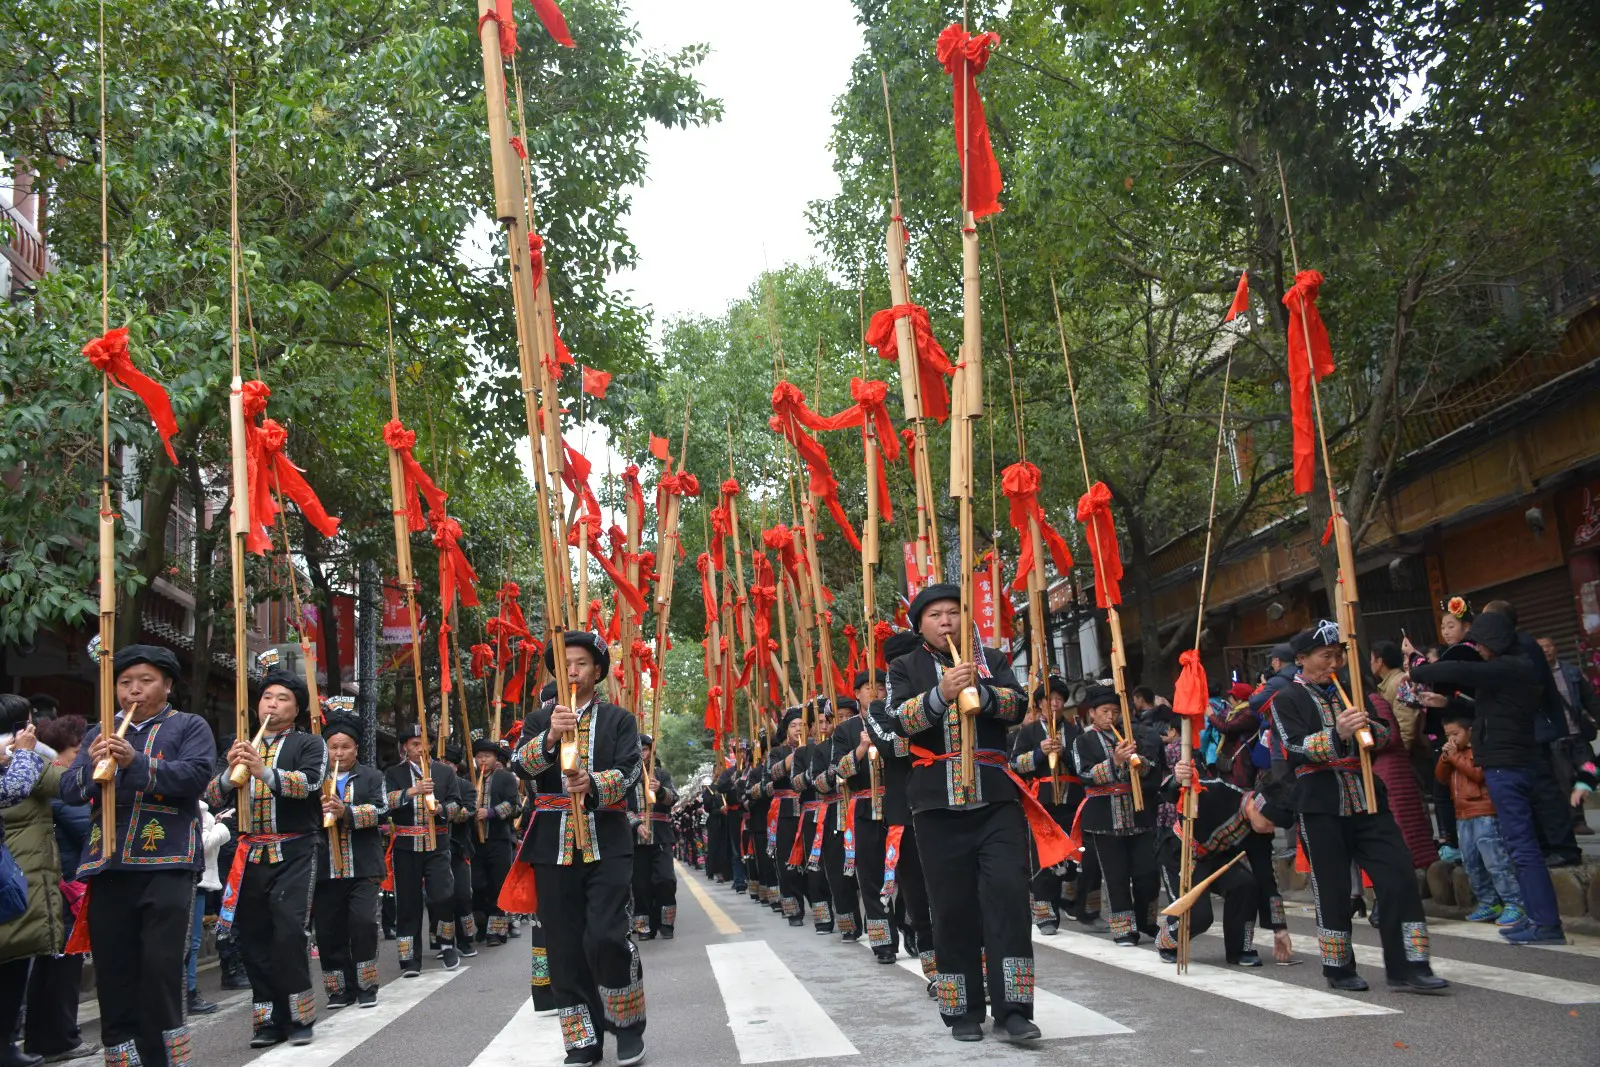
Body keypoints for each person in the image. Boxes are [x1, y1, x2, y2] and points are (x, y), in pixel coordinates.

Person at [885, 583, 1040, 1043]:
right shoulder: (904, 666)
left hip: (996, 801)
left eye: (954, 612)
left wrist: (983, 691)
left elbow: (1017, 706)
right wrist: (942, 693)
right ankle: (962, 1010)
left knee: (1010, 897)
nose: (946, 621)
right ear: (921, 625)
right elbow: (898, 721)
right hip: (936, 806)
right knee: (951, 907)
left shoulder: (992, 659)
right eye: (935, 615)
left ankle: (1014, 1010)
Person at [60, 644, 218, 1066]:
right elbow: (70, 791)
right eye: (125, 682)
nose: (134, 691)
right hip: (107, 863)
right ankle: (122, 1056)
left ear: (167, 685)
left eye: (145, 681)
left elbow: (196, 775)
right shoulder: (99, 733)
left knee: (160, 966)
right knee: (114, 969)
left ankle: (163, 1058)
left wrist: (137, 762)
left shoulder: (189, 725)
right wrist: (94, 769)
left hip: (167, 862)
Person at [1270, 621, 1447, 992]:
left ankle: (1410, 966)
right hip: (1319, 802)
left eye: (1338, 655)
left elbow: (1384, 734)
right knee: (1333, 888)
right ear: (1302, 659)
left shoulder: (1353, 691)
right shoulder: (1287, 699)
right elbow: (1294, 748)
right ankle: (1339, 968)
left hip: (1366, 796)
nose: (1333, 663)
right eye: (1325, 656)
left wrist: (1368, 728)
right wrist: (1338, 734)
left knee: (1399, 876)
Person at [512, 632, 645, 1067]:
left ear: (598, 670)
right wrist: (550, 737)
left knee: (607, 934)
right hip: (552, 843)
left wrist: (594, 784)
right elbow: (522, 765)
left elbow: (629, 771)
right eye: (566, 663)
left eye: (582, 663)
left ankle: (625, 1026)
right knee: (563, 947)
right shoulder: (539, 719)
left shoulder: (619, 720)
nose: (573, 671)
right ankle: (582, 1041)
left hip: (607, 838)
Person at [1411, 610, 1567, 945]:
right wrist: (1444, 699)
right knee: (1519, 847)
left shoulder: (1512, 665)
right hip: (1509, 763)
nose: (1478, 650)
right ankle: (1539, 920)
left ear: (1495, 641)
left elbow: (1460, 669)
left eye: (1481, 643)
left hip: (1506, 767)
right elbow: (1485, 710)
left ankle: (1546, 924)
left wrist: (1420, 668)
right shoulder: (1510, 671)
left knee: (1522, 848)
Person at [205, 669, 328, 1048]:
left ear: (297, 708)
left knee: (289, 932)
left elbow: (308, 784)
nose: (272, 704)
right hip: (249, 851)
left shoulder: (310, 744)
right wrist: (229, 775)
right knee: (254, 937)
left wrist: (261, 769)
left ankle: (300, 1016)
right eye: (267, 698)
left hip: (294, 849)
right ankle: (267, 1020)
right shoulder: (240, 745)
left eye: (283, 699)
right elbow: (211, 795)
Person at [1158, 752, 1291, 967]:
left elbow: (1267, 879)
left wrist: (1280, 928)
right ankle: (1167, 941)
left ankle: (1239, 950)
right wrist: (1177, 777)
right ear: (1255, 806)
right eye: (1269, 822)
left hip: (1215, 858)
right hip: (1180, 853)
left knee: (1247, 885)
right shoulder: (1218, 790)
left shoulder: (1260, 836)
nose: (1270, 830)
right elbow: (1175, 792)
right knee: (1199, 916)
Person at [0, 697, 69, 1067]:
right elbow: (20, 789)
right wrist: (30, 751)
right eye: (30, 724)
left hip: (14, 869)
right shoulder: (22, 761)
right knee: (12, 961)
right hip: (14, 873)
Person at [1012, 677, 1103, 936]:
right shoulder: (1028, 733)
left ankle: (1085, 908)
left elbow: (1084, 765)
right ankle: (1046, 916)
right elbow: (1015, 765)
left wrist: (1064, 752)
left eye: (1059, 699)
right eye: (1049, 699)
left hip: (1073, 803)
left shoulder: (1076, 732)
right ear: (1039, 704)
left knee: (1080, 856)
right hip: (1042, 804)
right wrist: (1039, 753)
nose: (1054, 703)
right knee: (1043, 859)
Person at [1073, 685, 1163, 947]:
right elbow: (1085, 775)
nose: (1110, 716)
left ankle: (1147, 921)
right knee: (1116, 875)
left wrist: (1137, 759)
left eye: (1114, 711)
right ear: (1092, 714)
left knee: (1147, 872)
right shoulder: (1083, 741)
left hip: (1138, 814)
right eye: (1104, 711)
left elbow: (1152, 767)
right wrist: (1115, 761)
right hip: (1104, 818)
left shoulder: (1131, 736)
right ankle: (1124, 929)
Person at [31, 716, 95, 1064]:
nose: (80, 758)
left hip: (56, 881)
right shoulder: (58, 784)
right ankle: (61, 1038)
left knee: (52, 965)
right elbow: (87, 830)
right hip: (64, 885)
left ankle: (46, 1038)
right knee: (62, 965)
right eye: (77, 751)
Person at [315, 717, 387, 1009]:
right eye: (333, 747)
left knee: (363, 923)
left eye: (345, 747)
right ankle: (338, 989)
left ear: (356, 748)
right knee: (329, 930)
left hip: (363, 866)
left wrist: (346, 812)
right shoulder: (315, 779)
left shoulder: (371, 777)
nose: (339, 753)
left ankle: (366, 985)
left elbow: (382, 811)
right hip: (324, 868)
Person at [1434, 709, 1524, 925]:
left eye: (1455, 734)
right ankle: (1489, 903)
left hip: (1484, 812)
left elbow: (1478, 774)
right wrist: (1446, 758)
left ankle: (1515, 903)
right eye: (1447, 736)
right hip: (1462, 814)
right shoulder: (1454, 753)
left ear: (1470, 730)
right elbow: (1440, 777)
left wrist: (1453, 756)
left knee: (1496, 861)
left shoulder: (1479, 749)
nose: (1451, 739)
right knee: (1471, 862)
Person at [383, 723, 460, 975]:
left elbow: (457, 804)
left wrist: (440, 809)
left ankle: (447, 943)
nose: (419, 749)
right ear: (405, 747)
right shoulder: (393, 772)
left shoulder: (444, 772)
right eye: (414, 744)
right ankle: (409, 959)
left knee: (442, 895)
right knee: (407, 902)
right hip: (406, 845)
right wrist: (414, 791)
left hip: (437, 843)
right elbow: (385, 802)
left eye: (423, 744)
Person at [830, 672, 893, 961]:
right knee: (871, 876)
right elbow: (838, 771)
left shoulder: (896, 720)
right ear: (857, 693)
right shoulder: (846, 730)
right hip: (865, 807)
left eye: (881, 687)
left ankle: (911, 925)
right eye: (869, 688)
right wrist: (859, 750)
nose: (875, 692)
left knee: (908, 874)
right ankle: (883, 942)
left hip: (897, 803)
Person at [1538, 636, 1599, 836]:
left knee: (1587, 770)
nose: (1546, 650)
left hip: (1578, 735)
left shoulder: (1572, 672)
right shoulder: (1534, 676)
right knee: (1563, 781)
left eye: (1549, 646)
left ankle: (1577, 819)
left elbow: (1590, 699)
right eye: (1541, 648)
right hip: (1555, 738)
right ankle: (1575, 820)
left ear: (1555, 648)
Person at [470, 738, 521, 947]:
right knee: (478, 884)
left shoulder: (506, 778)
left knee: (498, 885)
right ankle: (482, 924)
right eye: (479, 756)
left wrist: (491, 812)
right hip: (475, 843)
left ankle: (496, 932)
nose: (483, 760)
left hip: (499, 840)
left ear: (494, 758)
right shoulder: (469, 778)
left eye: (487, 756)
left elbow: (516, 806)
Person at [630, 734, 678, 940]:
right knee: (640, 885)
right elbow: (621, 806)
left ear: (651, 751)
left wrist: (661, 791)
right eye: (639, 749)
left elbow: (674, 798)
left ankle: (666, 922)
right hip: (636, 837)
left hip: (661, 834)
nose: (643, 752)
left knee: (665, 879)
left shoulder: (662, 774)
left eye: (646, 749)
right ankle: (643, 926)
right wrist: (636, 824)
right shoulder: (626, 777)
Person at [184, 802, 226, 1016]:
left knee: (190, 941)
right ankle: (188, 993)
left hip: (194, 879)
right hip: (193, 879)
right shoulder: (195, 807)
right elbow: (203, 843)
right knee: (191, 941)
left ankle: (187, 992)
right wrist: (221, 829)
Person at [768, 707, 809, 927]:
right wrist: (795, 756)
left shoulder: (814, 747)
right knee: (787, 862)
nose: (797, 729)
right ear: (786, 730)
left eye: (801, 725)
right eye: (793, 725)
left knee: (813, 860)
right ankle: (794, 909)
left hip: (809, 809)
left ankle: (822, 906)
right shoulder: (778, 752)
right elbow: (772, 774)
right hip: (785, 812)